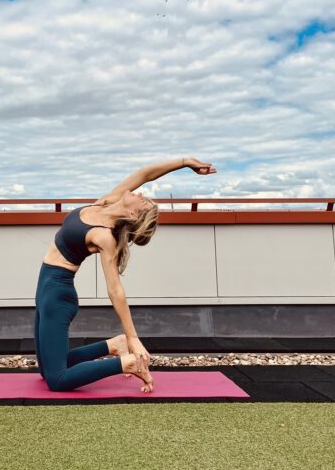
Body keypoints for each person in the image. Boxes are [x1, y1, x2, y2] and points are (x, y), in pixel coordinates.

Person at [35, 156, 217, 392]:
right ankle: (113, 345)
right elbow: (144, 174)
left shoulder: (104, 237)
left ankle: (126, 363)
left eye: (143, 202)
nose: (140, 194)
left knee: (57, 380)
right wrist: (184, 163)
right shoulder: (105, 203)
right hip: (44, 289)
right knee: (46, 370)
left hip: (58, 297)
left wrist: (133, 337)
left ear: (132, 216)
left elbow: (115, 290)